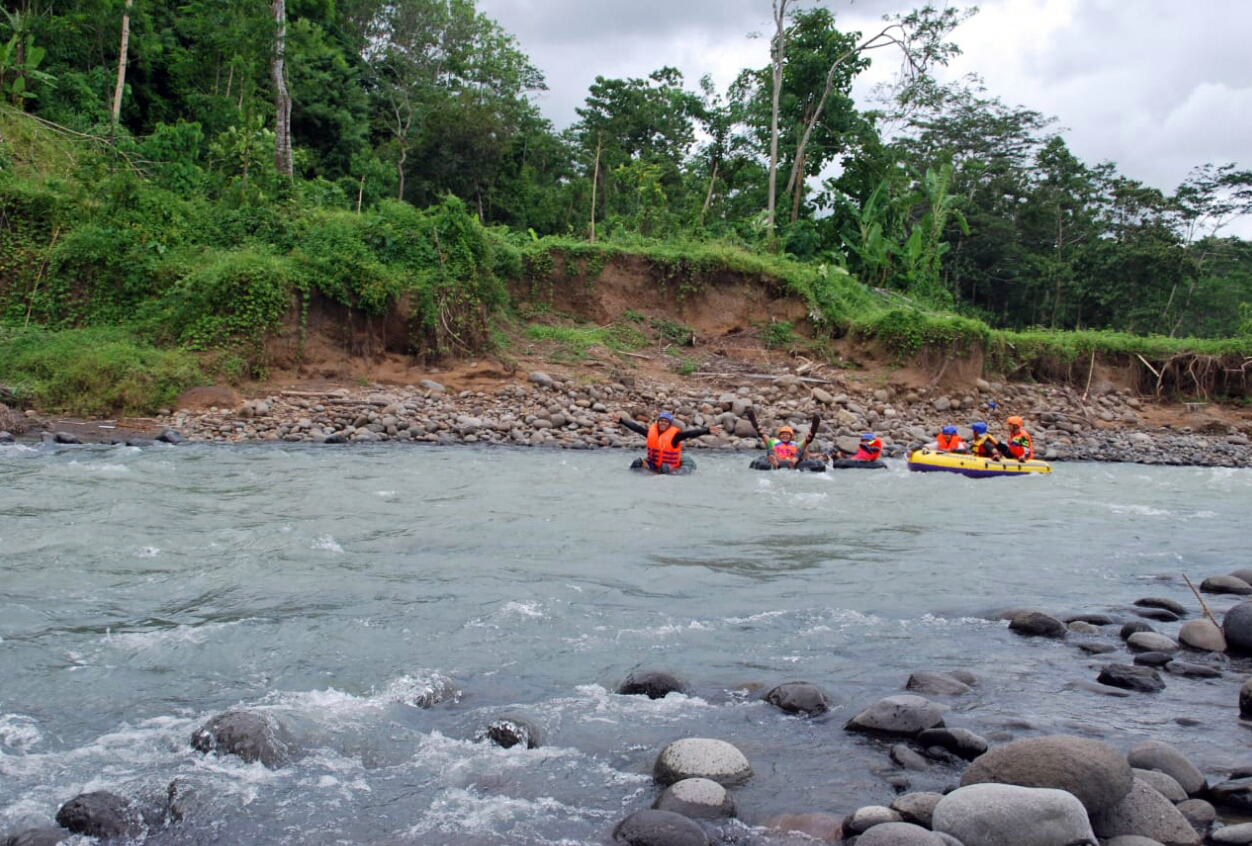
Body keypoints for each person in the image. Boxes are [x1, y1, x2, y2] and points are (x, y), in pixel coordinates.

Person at [614, 411, 721, 473]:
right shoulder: (651, 433)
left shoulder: (675, 437)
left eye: (666, 421)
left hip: (669, 467)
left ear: (670, 424)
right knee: (637, 462)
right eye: (661, 421)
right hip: (653, 465)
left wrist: (707, 431)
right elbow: (637, 428)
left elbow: (690, 434)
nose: (663, 423)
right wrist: (622, 421)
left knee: (664, 467)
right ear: (658, 422)